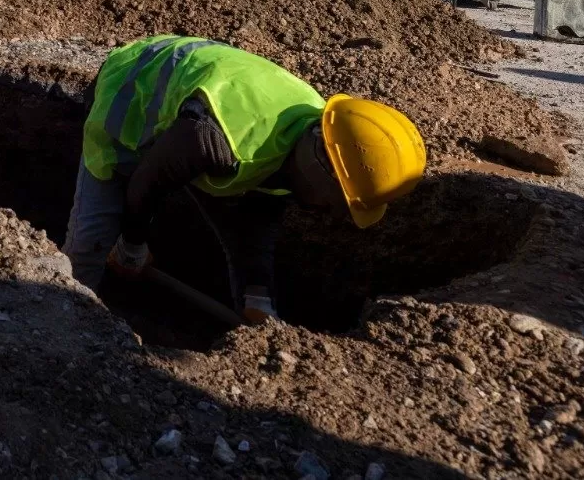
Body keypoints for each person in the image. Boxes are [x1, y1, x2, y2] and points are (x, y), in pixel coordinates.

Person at [63, 35, 426, 323]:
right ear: (319, 172)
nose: (330, 214)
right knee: (91, 242)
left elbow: (251, 233)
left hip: (195, 113)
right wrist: (131, 244)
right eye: (335, 202)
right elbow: (149, 181)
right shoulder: (218, 141)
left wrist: (259, 301)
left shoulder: (311, 139)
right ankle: (67, 322)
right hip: (130, 92)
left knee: (228, 213)